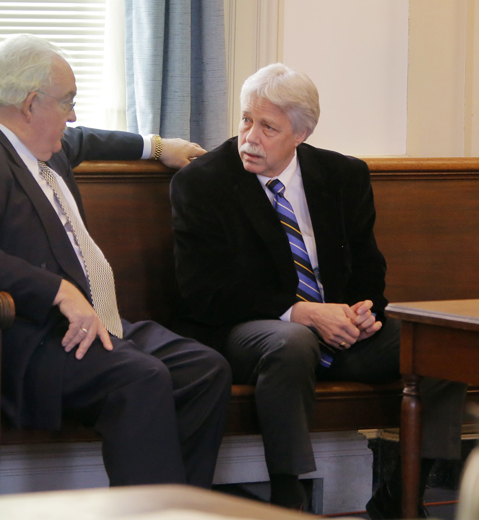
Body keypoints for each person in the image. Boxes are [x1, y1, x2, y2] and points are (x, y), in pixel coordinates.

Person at [0, 34, 232, 488]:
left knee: (205, 369)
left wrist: (159, 146)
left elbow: (89, 140)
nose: (72, 116)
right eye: (67, 102)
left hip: (96, 323)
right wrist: (57, 290)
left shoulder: (40, 142)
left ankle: (182, 505)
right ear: (30, 104)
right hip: (33, 341)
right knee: (140, 377)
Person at [170, 63, 467, 514]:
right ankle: (290, 496)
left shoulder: (343, 176)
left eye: (268, 127)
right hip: (249, 331)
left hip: (342, 331)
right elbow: (203, 290)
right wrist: (304, 313)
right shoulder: (202, 183)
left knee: (440, 344)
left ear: (301, 134)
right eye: (246, 119)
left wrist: (366, 311)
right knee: (293, 340)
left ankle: (403, 491)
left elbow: (368, 264)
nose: (250, 136)